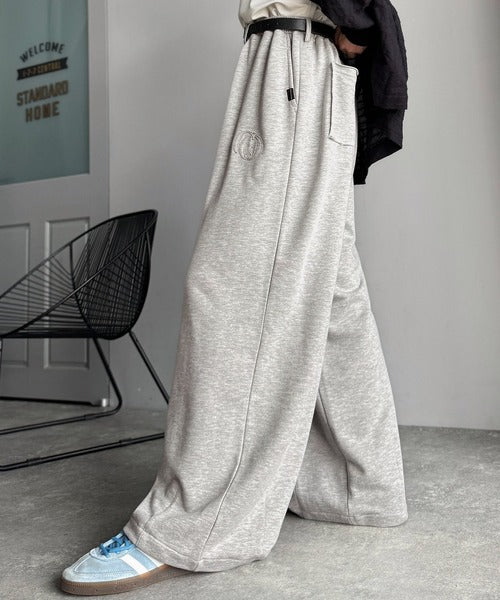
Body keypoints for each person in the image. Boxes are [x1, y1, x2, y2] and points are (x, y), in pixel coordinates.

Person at [60, 0, 409, 595]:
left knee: (231, 291)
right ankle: (359, 487)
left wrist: (354, 23)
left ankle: (194, 524)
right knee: (331, 294)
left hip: (293, 66)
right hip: (292, 66)